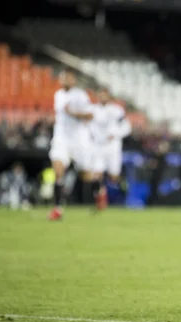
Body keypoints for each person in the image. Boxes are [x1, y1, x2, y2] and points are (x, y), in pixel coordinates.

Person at [47, 68, 94, 220]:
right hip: (61, 138)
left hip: (78, 139)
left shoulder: (80, 95)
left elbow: (90, 115)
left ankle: (99, 191)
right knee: (58, 170)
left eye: (68, 77)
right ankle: (57, 209)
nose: (65, 80)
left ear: (74, 80)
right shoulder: (58, 95)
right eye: (63, 77)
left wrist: (73, 113)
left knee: (85, 174)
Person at [88, 87, 131, 210]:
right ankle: (101, 200)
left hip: (112, 147)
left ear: (108, 96)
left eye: (104, 95)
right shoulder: (92, 110)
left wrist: (116, 134)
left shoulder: (117, 110)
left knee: (113, 177)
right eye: (100, 95)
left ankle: (125, 189)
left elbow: (127, 127)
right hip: (97, 147)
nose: (102, 97)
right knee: (97, 175)